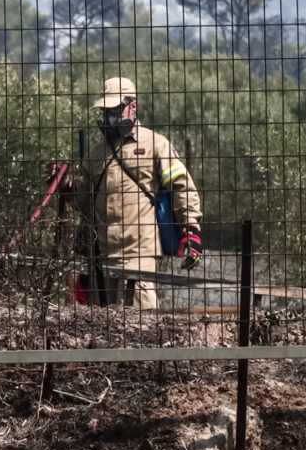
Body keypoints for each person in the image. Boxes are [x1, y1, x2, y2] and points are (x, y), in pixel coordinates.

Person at [66, 77, 203, 309]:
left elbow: (183, 187)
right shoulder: (95, 154)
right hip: (100, 257)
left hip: (139, 255)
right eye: (106, 110)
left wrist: (192, 231)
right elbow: (85, 202)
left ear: (133, 106)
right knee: (101, 332)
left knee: (139, 331)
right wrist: (65, 186)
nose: (110, 116)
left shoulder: (156, 145)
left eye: (116, 109)